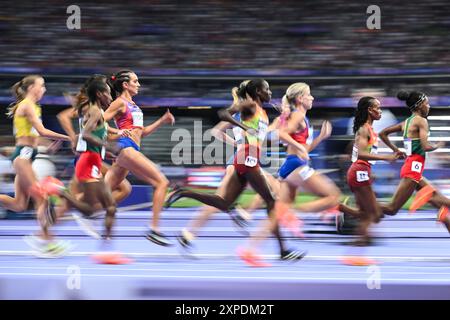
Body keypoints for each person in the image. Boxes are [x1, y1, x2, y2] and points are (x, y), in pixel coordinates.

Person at [167, 79, 308, 266]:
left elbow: (260, 136)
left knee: (223, 202)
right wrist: (242, 130)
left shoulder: (261, 111)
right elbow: (223, 114)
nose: (271, 93)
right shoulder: (249, 105)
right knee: (272, 200)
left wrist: (272, 125)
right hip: (246, 158)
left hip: (246, 157)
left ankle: (183, 192)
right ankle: (282, 249)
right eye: (267, 90)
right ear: (258, 91)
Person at [0, 75, 71, 256]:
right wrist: (68, 137)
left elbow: (33, 135)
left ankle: (45, 240)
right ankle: (47, 242)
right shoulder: (27, 105)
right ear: (32, 87)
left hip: (26, 156)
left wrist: (48, 144)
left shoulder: (33, 107)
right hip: (22, 157)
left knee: (19, 205)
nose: (44, 89)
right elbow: (41, 130)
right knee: (42, 199)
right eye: (42, 85)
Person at [103, 70, 175, 246]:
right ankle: (154, 228)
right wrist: (117, 132)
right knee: (162, 183)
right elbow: (99, 121)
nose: (139, 84)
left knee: (104, 193)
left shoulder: (133, 105)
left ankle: (80, 213)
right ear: (125, 85)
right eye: (135, 81)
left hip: (129, 149)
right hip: (126, 149)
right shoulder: (119, 103)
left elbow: (140, 133)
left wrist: (162, 120)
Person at [378, 91, 449, 228]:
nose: (429, 106)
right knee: (392, 209)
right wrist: (438, 145)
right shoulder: (421, 121)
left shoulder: (407, 122)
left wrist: (396, 150)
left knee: (439, 199)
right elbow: (425, 146)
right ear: (419, 105)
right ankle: (356, 209)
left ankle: (443, 216)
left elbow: (383, 134)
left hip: (412, 168)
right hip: (412, 171)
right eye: (426, 103)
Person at [338, 97, 402, 245]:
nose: (380, 111)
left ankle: (360, 241)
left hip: (361, 171)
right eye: (377, 108)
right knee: (374, 213)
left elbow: (353, 152)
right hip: (359, 172)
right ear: (369, 110)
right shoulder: (364, 129)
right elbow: (359, 153)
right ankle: (338, 207)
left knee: (368, 214)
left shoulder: (369, 129)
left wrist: (368, 168)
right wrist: (385, 158)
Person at [277, 83, 341, 217]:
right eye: (309, 95)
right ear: (300, 98)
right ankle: (296, 214)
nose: (312, 98)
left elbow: (305, 149)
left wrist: (321, 137)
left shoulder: (302, 118)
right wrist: (300, 147)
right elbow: (282, 134)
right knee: (333, 196)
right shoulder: (298, 116)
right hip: (296, 165)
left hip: (292, 165)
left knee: (281, 211)